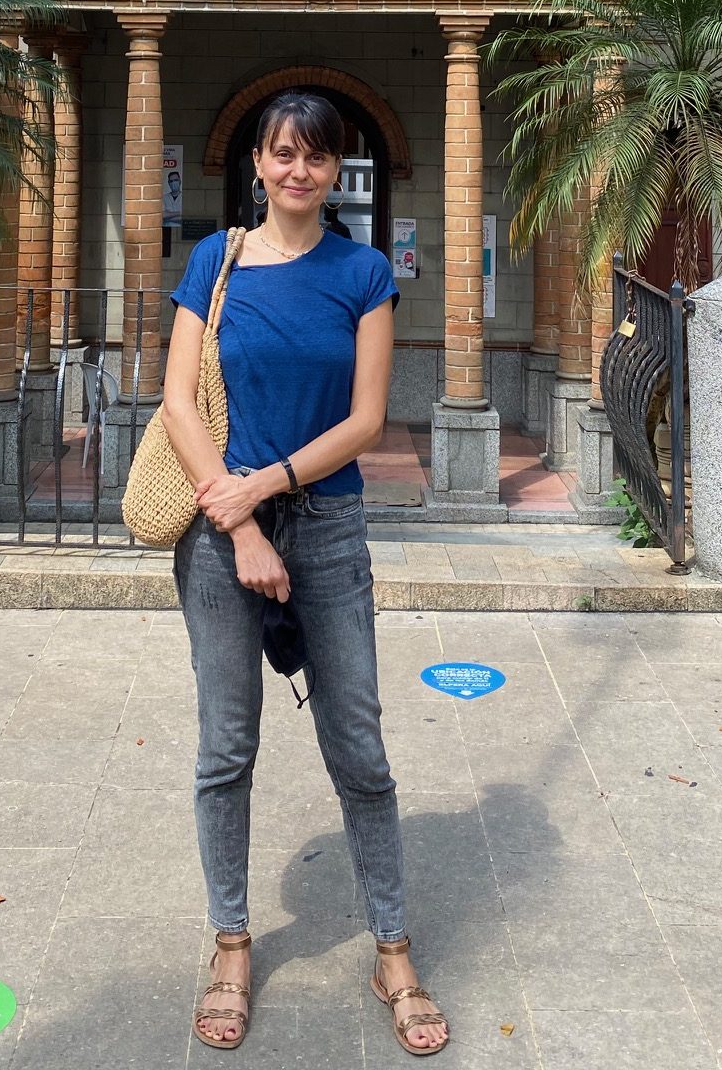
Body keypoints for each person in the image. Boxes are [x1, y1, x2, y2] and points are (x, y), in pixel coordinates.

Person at [161, 90, 449, 1056]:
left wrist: (272, 486)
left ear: (335, 171)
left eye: (316, 157)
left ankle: (393, 949)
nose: (298, 171)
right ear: (257, 163)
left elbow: (366, 419)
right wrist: (241, 520)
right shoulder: (216, 261)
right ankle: (232, 945)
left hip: (326, 527)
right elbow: (177, 401)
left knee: (359, 746)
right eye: (283, 154)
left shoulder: (362, 272)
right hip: (220, 530)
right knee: (225, 747)